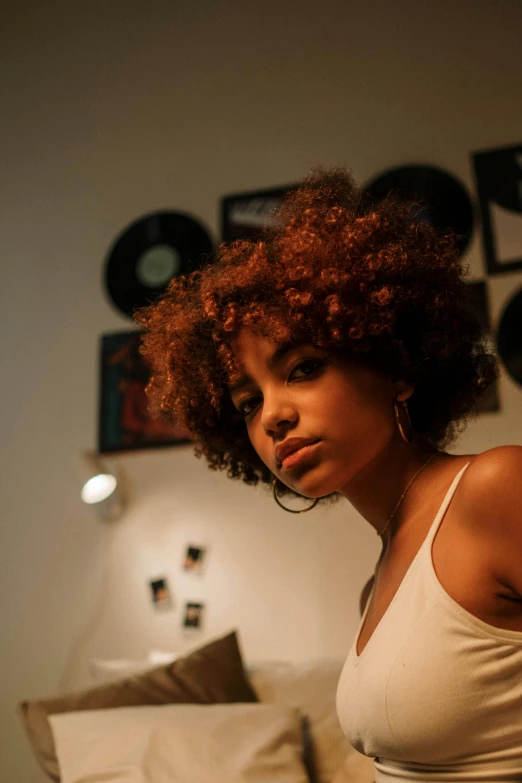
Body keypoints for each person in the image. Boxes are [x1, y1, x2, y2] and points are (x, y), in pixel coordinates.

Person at [135, 166, 522, 781]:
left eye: (304, 368)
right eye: (247, 402)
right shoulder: (377, 585)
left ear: (396, 369)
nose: (273, 416)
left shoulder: (497, 490)